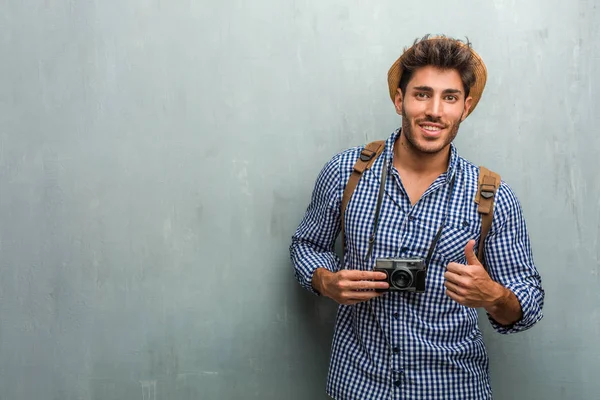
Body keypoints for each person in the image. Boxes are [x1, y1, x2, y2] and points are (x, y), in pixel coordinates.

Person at [289, 35, 544, 400]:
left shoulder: (492, 197)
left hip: (451, 388)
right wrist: (326, 281)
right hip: (359, 385)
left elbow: (527, 304)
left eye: (450, 97)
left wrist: (493, 296)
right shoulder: (346, 172)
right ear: (399, 100)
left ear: (465, 107)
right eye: (422, 94)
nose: (435, 111)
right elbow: (306, 245)